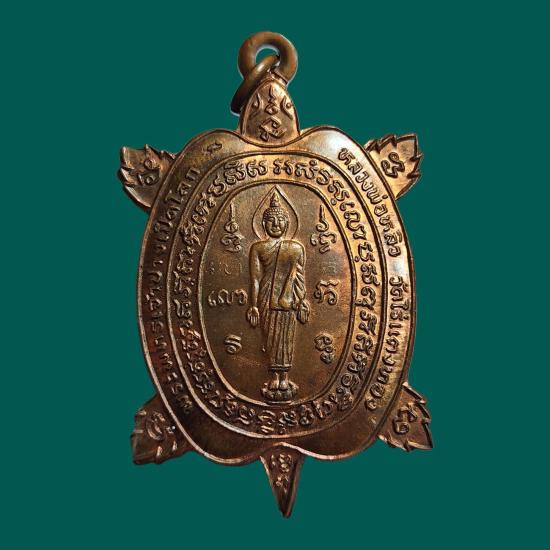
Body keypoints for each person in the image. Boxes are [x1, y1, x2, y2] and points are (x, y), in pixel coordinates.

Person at [246, 192, 310, 401]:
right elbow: (255, 279)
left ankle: (285, 377)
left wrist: (300, 301)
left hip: (288, 299)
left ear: (287, 223)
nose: (276, 224)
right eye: (271, 220)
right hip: (266, 297)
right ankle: (275, 377)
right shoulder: (258, 248)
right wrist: (253, 306)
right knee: (271, 338)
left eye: (280, 220)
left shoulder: (295, 248)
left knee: (286, 336)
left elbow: (299, 277)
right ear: (264, 224)